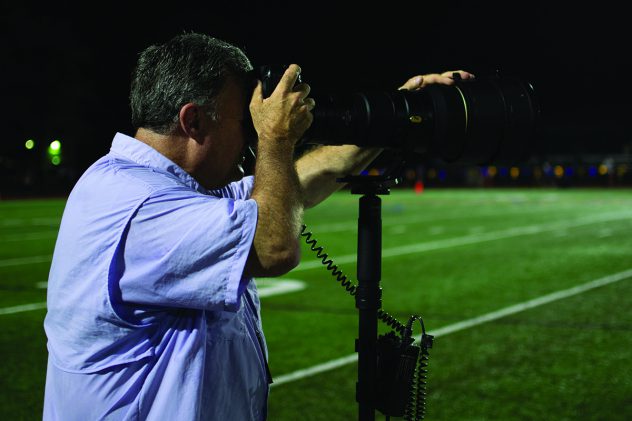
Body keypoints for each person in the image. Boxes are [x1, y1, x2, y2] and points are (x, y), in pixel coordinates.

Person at [42, 32, 474, 420]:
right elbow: (273, 245)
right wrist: (276, 139)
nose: (250, 140)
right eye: (242, 123)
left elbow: (297, 184)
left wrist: (398, 113)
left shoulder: (179, 188)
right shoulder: (137, 205)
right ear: (193, 121)